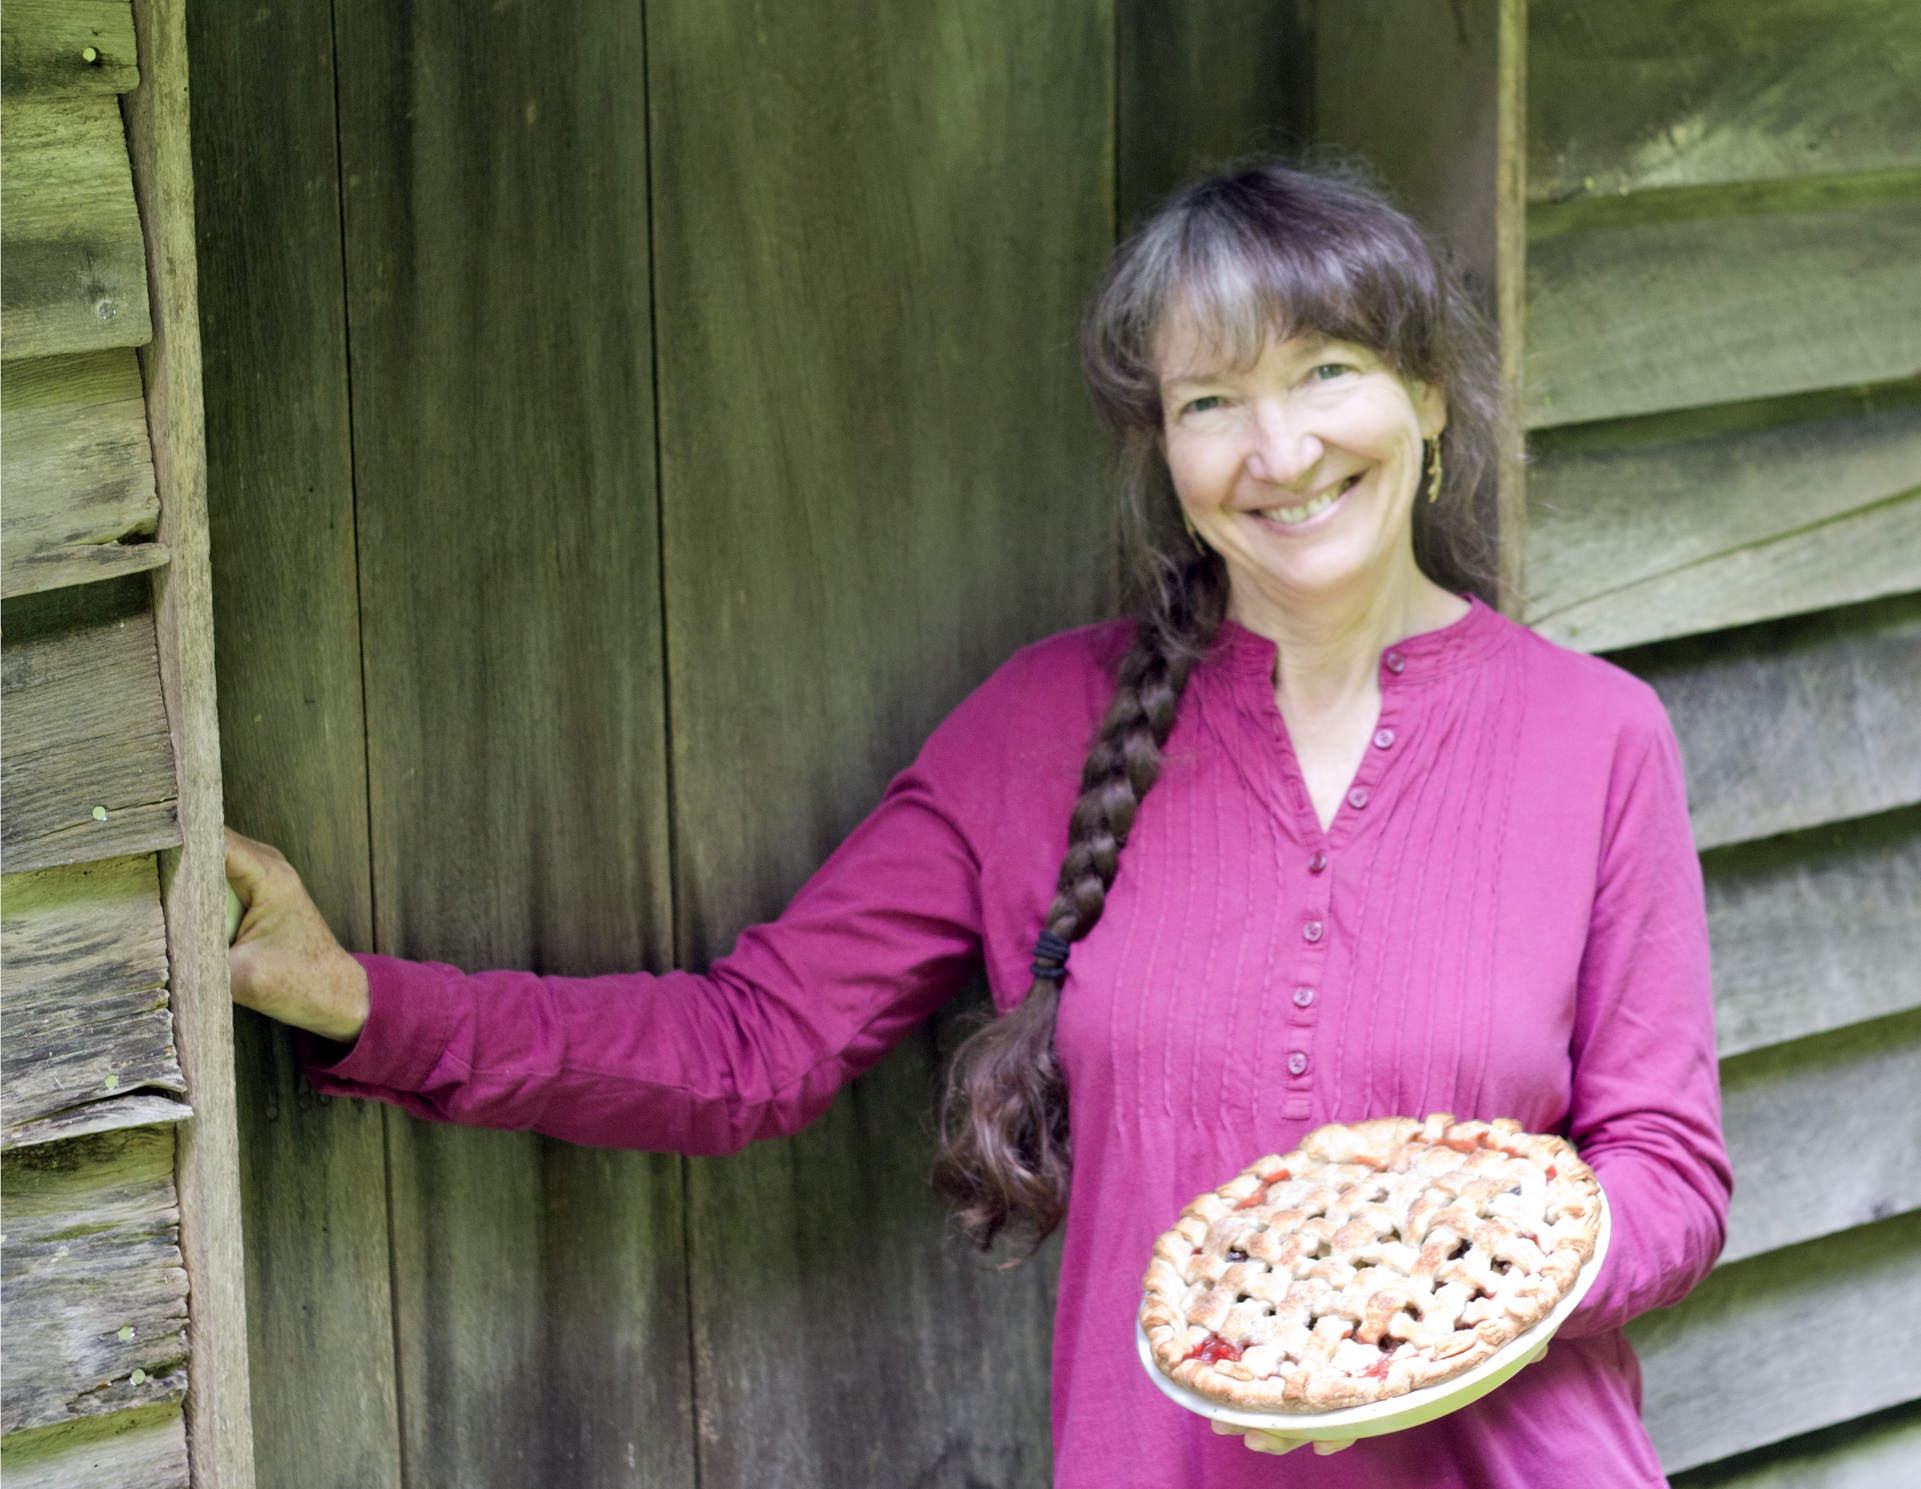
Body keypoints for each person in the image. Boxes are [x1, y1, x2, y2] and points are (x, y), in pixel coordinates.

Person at [227, 160, 1730, 1488]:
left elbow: (1665, 1174)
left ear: (1428, 395)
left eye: (1326, 371)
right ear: (1164, 450)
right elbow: (752, 1044)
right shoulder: (1040, 728)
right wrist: (360, 999)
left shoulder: (1596, 738)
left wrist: (1448, 1293)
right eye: (1210, 401)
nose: (1277, 452)